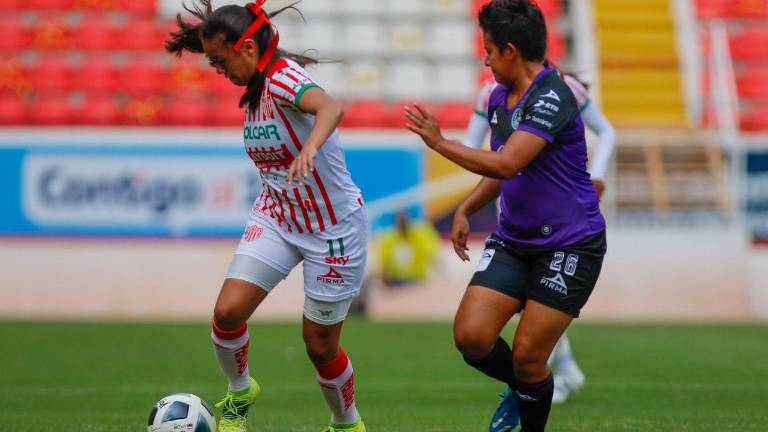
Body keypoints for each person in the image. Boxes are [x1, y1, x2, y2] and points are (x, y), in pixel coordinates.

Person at [405, 1, 607, 431]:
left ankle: (530, 407)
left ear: (511, 51)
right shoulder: (500, 97)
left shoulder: (553, 95)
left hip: (570, 242)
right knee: (472, 337)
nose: (485, 58)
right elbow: (505, 168)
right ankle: (524, 389)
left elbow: (507, 164)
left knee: (530, 355)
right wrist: (466, 207)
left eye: (490, 49)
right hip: (515, 240)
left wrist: (439, 143)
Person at [165, 2, 367, 431]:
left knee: (319, 346)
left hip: (332, 229)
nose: (218, 70)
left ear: (249, 47)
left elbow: (330, 107)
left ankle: (346, 422)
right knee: (227, 313)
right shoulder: (255, 89)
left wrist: (311, 146)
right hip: (277, 216)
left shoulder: (282, 79)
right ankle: (240, 394)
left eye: (220, 60)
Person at [465, 68, 616, 404]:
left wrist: (599, 174)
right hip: (516, 220)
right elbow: (472, 148)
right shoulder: (492, 94)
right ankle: (561, 369)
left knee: (538, 309)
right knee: (526, 311)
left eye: (492, 49)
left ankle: (545, 378)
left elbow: (607, 131)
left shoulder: (564, 89)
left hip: (562, 222)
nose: (488, 59)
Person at [377, 211, 441, 288]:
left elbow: (432, 256)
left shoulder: (419, 236)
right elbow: (383, 267)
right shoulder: (388, 240)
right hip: (397, 282)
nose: (403, 225)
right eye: (401, 222)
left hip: (417, 279)